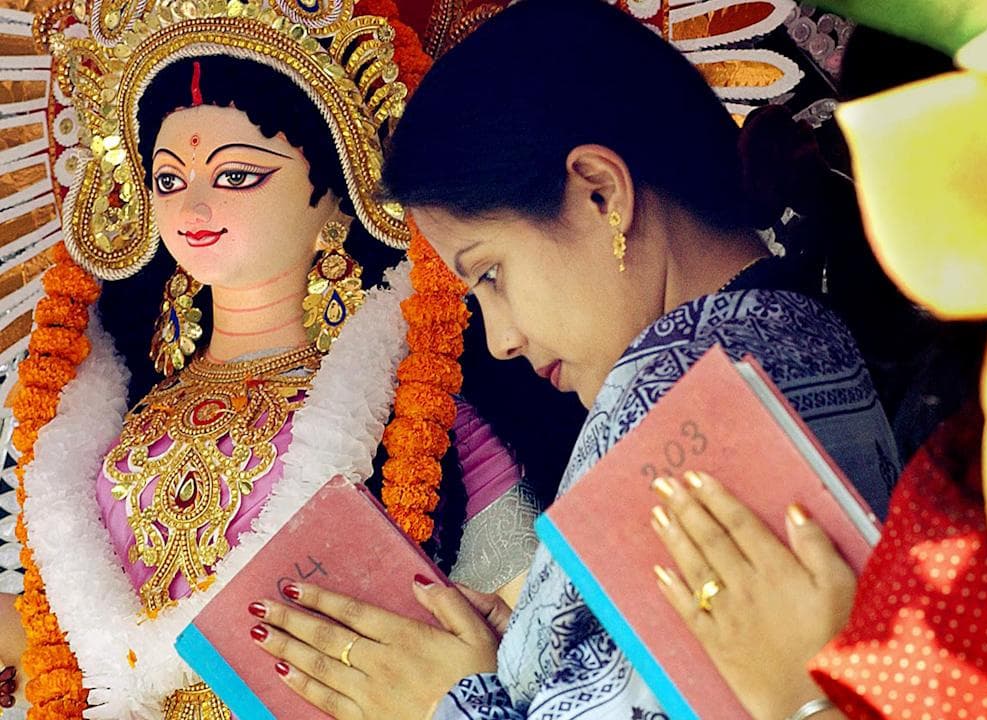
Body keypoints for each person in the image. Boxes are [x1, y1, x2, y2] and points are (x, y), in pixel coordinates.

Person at [248, 0, 900, 717]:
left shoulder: (671, 396)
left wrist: (445, 705)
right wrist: (514, 658)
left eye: (489, 273)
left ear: (601, 192)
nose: (499, 339)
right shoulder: (802, 335)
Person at [0, 1, 575, 717]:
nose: (193, 207)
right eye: (170, 179)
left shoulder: (413, 421)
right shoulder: (105, 421)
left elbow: (531, 642)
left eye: (237, 175)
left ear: (339, 196)